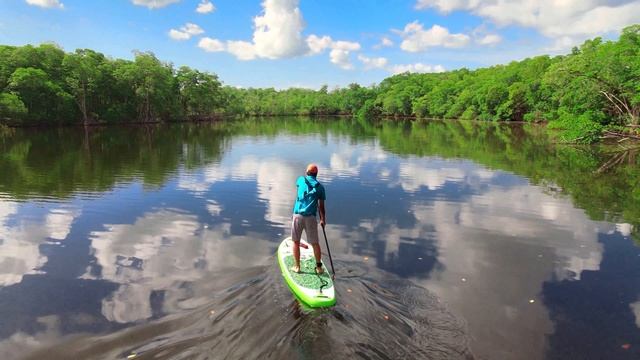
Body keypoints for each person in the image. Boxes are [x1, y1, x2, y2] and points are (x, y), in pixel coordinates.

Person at [291, 163, 326, 274]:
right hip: (311, 218)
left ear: (307, 173)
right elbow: (321, 207)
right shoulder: (320, 188)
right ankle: (319, 268)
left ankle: (297, 267)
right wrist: (322, 219)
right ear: (316, 174)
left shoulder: (301, 180)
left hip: (298, 216)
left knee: (296, 242)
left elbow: (299, 187)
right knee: (315, 243)